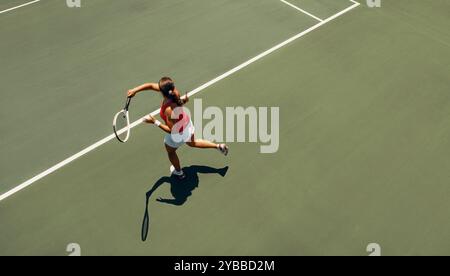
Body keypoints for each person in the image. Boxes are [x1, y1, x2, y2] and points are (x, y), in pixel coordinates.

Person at [127, 77, 229, 179]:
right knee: (193, 143)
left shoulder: (168, 110)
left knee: (171, 152)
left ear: (162, 92)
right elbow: (150, 86)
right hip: (187, 124)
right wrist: (135, 90)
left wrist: (155, 122)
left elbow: (172, 131)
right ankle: (218, 146)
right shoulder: (175, 93)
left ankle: (179, 173)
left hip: (178, 134)